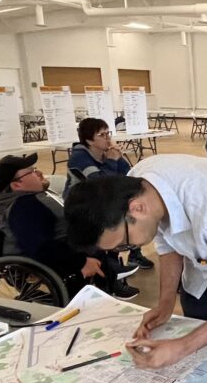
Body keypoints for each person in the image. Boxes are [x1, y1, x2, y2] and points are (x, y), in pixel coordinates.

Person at [65, 154, 207, 370]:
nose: (124, 249)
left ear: (137, 208)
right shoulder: (136, 185)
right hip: (202, 262)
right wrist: (165, 303)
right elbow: (166, 240)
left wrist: (182, 347)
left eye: (124, 243)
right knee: (204, 355)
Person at [0, 154, 138, 300]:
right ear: (17, 185)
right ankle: (108, 283)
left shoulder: (32, 197)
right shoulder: (24, 208)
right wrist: (82, 263)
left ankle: (111, 276)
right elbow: (42, 248)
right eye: (32, 172)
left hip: (71, 251)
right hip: (58, 264)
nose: (39, 173)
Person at [66, 117, 154, 273]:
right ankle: (113, 265)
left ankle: (134, 254)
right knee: (117, 220)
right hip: (83, 204)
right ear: (89, 140)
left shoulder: (105, 153)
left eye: (108, 133)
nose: (108, 138)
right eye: (102, 135)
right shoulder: (79, 157)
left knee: (135, 211)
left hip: (102, 199)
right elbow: (100, 184)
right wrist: (112, 161)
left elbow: (128, 175)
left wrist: (118, 158)